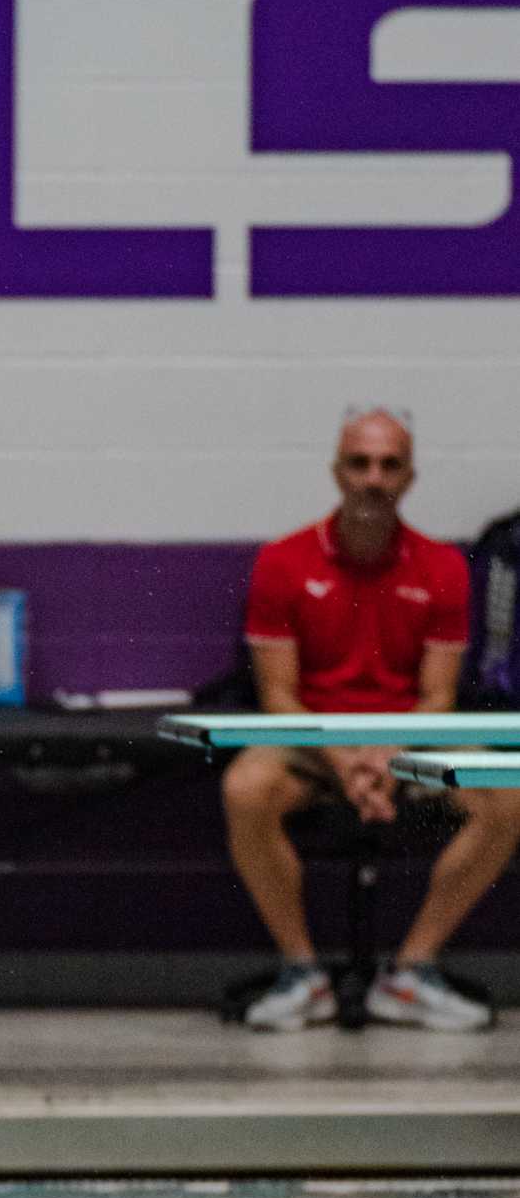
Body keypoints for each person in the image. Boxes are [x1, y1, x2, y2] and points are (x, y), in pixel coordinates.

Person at [224, 409, 520, 1031]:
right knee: (245, 788)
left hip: (405, 740)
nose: (373, 478)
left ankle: (411, 973)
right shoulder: (283, 562)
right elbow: (278, 698)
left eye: (389, 465)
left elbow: (438, 700)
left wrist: (384, 756)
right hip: (310, 743)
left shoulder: (442, 569)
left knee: (508, 794)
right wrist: (346, 759)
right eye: (360, 463)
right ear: (338, 472)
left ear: (410, 477)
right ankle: (303, 975)